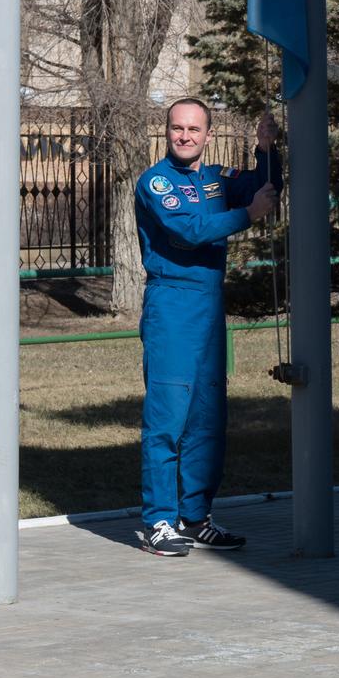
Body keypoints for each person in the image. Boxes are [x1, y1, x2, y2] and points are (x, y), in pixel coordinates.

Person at [134, 98, 281, 556]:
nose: (184, 136)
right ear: (166, 132)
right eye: (177, 128)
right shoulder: (156, 182)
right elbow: (191, 230)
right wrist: (248, 215)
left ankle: (196, 517)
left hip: (210, 305)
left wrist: (266, 149)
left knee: (207, 419)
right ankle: (159, 521)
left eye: (193, 129)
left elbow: (264, 186)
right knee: (167, 419)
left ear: (208, 135)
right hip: (172, 305)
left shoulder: (217, 179)